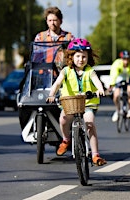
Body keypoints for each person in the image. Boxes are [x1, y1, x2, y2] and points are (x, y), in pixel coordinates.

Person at [46, 38, 107, 166]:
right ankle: (66, 139)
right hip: (70, 104)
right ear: (71, 57)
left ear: (88, 57)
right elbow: (57, 83)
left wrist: (100, 89)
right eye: (78, 56)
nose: (81, 59)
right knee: (63, 119)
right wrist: (51, 95)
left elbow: (97, 81)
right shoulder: (66, 71)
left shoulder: (90, 71)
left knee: (90, 123)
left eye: (84, 57)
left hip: (87, 103)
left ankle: (95, 155)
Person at [109, 50, 130, 122]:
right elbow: (113, 74)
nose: (126, 61)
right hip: (119, 78)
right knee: (116, 95)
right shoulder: (117, 63)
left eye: (127, 59)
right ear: (121, 59)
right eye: (124, 59)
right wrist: (112, 84)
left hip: (129, 78)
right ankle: (117, 110)